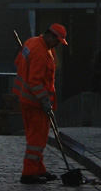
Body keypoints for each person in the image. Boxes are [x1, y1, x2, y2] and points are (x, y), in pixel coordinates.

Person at [13, 23, 68, 184]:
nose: (57, 45)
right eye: (57, 41)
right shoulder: (41, 52)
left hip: (28, 99)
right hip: (35, 101)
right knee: (37, 139)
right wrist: (44, 100)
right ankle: (29, 173)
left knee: (37, 137)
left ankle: (39, 169)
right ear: (50, 35)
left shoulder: (32, 42)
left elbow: (20, 63)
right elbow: (35, 80)